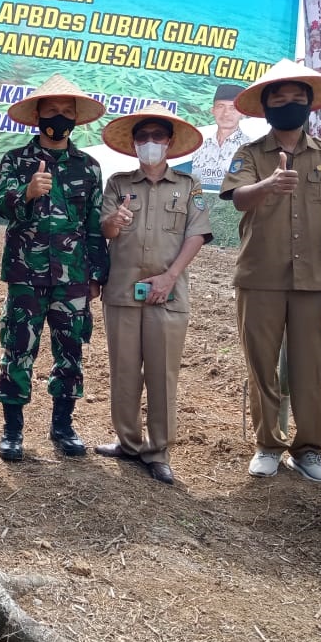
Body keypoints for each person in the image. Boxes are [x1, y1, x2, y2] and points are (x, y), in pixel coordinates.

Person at [219, 59, 321, 482]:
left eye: (298, 98)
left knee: (311, 368)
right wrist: (268, 185)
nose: (289, 104)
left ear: (310, 106)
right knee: (261, 365)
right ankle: (269, 445)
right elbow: (238, 198)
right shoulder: (249, 153)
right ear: (266, 106)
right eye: (280, 98)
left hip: (313, 280)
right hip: (260, 278)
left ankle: (310, 450)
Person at [0, 74, 108, 462]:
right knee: (18, 349)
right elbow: (0, 206)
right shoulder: (15, 160)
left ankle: (63, 426)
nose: (59, 116)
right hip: (27, 274)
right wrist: (26, 192)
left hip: (73, 276)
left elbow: (94, 224)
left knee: (71, 350)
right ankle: (12, 431)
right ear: (37, 115)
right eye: (51, 110)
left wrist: (97, 274)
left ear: (76, 119)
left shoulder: (89, 167)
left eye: (66, 111)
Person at [96, 104, 212, 484]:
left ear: (170, 143)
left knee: (162, 373)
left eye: (157, 137)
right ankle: (128, 442)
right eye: (143, 137)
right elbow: (106, 229)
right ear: (133, 144)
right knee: (125, 371)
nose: (150, 143)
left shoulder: (188, 186)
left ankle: (158, 449)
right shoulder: (118, 184)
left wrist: (170, 277)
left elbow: (196, 234)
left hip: (168, 294)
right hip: (123, 292)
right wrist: (114, 221)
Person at [189, 83, 251, 191]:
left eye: (233, 108)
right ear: (212, 110)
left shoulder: (250, 148)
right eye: (220, 106)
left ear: (242, 113)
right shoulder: (198, 146)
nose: (226, 113)